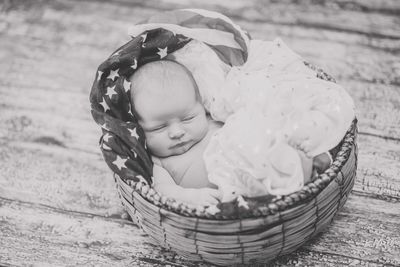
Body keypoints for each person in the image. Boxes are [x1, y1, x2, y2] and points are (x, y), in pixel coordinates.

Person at [130, 60, 222, 206]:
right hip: (216, 206)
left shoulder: (217, 122)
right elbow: (163, 190)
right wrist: (191, 196)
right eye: (158, 128)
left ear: (203, 108)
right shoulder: (158, 163)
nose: (177, 132)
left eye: (188, 119)